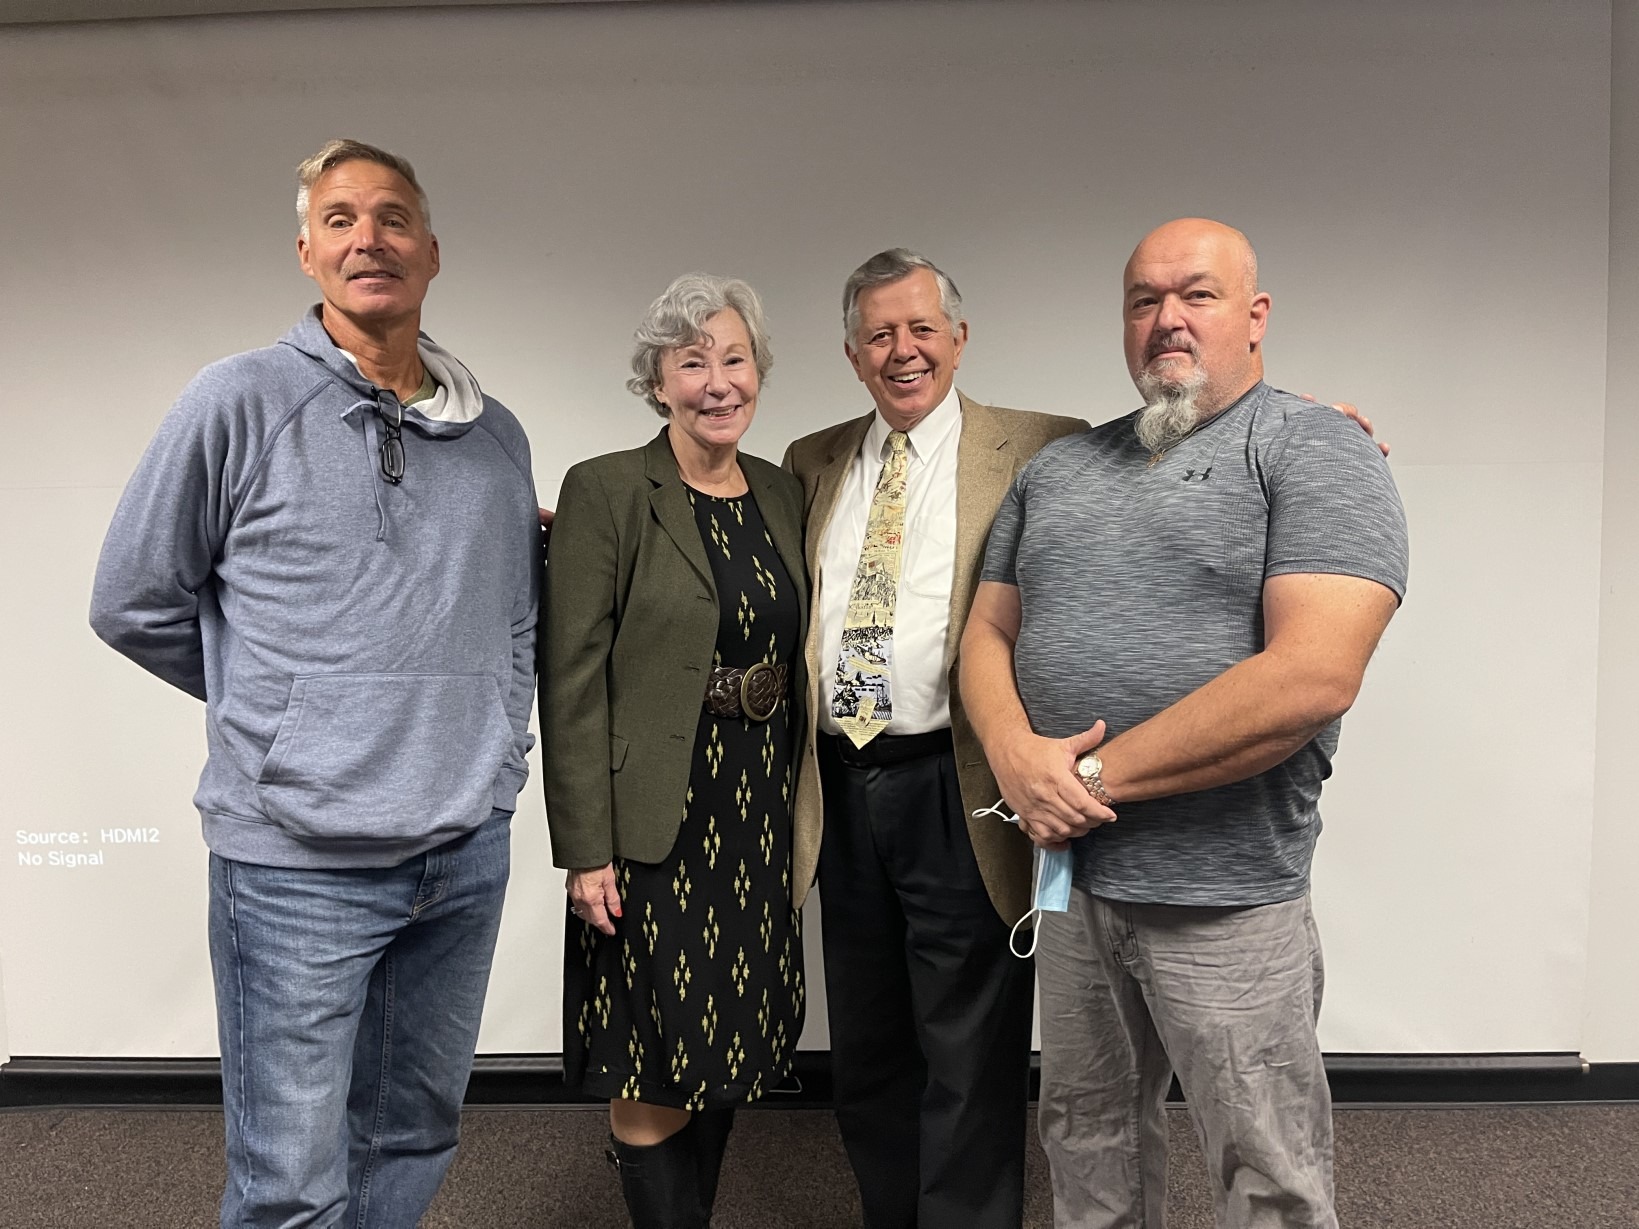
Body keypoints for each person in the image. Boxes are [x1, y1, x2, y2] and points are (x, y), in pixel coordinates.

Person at [88, 139, 539, 1228]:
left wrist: (494, 763)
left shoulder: (497, 436)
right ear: (305, 250)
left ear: (431, 251)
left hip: (461, 852)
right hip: (295, 865)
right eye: (339, 219)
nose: (367, 237)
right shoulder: (237, 400)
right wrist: (289, 713)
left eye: (390, 217)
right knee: (290, 1179)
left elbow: (514, 621)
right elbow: (130, 599)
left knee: (412, 1134)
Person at [961, 217, 1409, 1229]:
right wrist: (1012, 752)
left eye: (1195, 294)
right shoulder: (1058, 471)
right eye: (1143, 298)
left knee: (1266, 1171)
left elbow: (1310, 675)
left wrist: (1083, 782)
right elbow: (985, 634)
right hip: (1075, 888)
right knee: (1086, 1144)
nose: (1166, 317)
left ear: (1253, 317)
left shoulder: (1314, 449)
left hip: (1224, 896)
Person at [782, 249, 1087, 1229]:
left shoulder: (1042, 443)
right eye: (879, 334)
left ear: (957, 338)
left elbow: (1164, 455)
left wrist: (1299, 427)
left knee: (968, 1044)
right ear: (851, 353)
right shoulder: (810, 459)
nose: (901, 349)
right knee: (869, 1042)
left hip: (962, 783)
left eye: (920, 328)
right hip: (839, 782)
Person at [543, 273, 810, 1229]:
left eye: (733, 358)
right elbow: (569, 676)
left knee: (726, 1045)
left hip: (761, 812)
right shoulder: (607, 489)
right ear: (657, 382)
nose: (717, 381)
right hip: (654, 822)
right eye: (691, 362)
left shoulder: (782, 491)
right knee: (653, 1056)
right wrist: (583, 847)